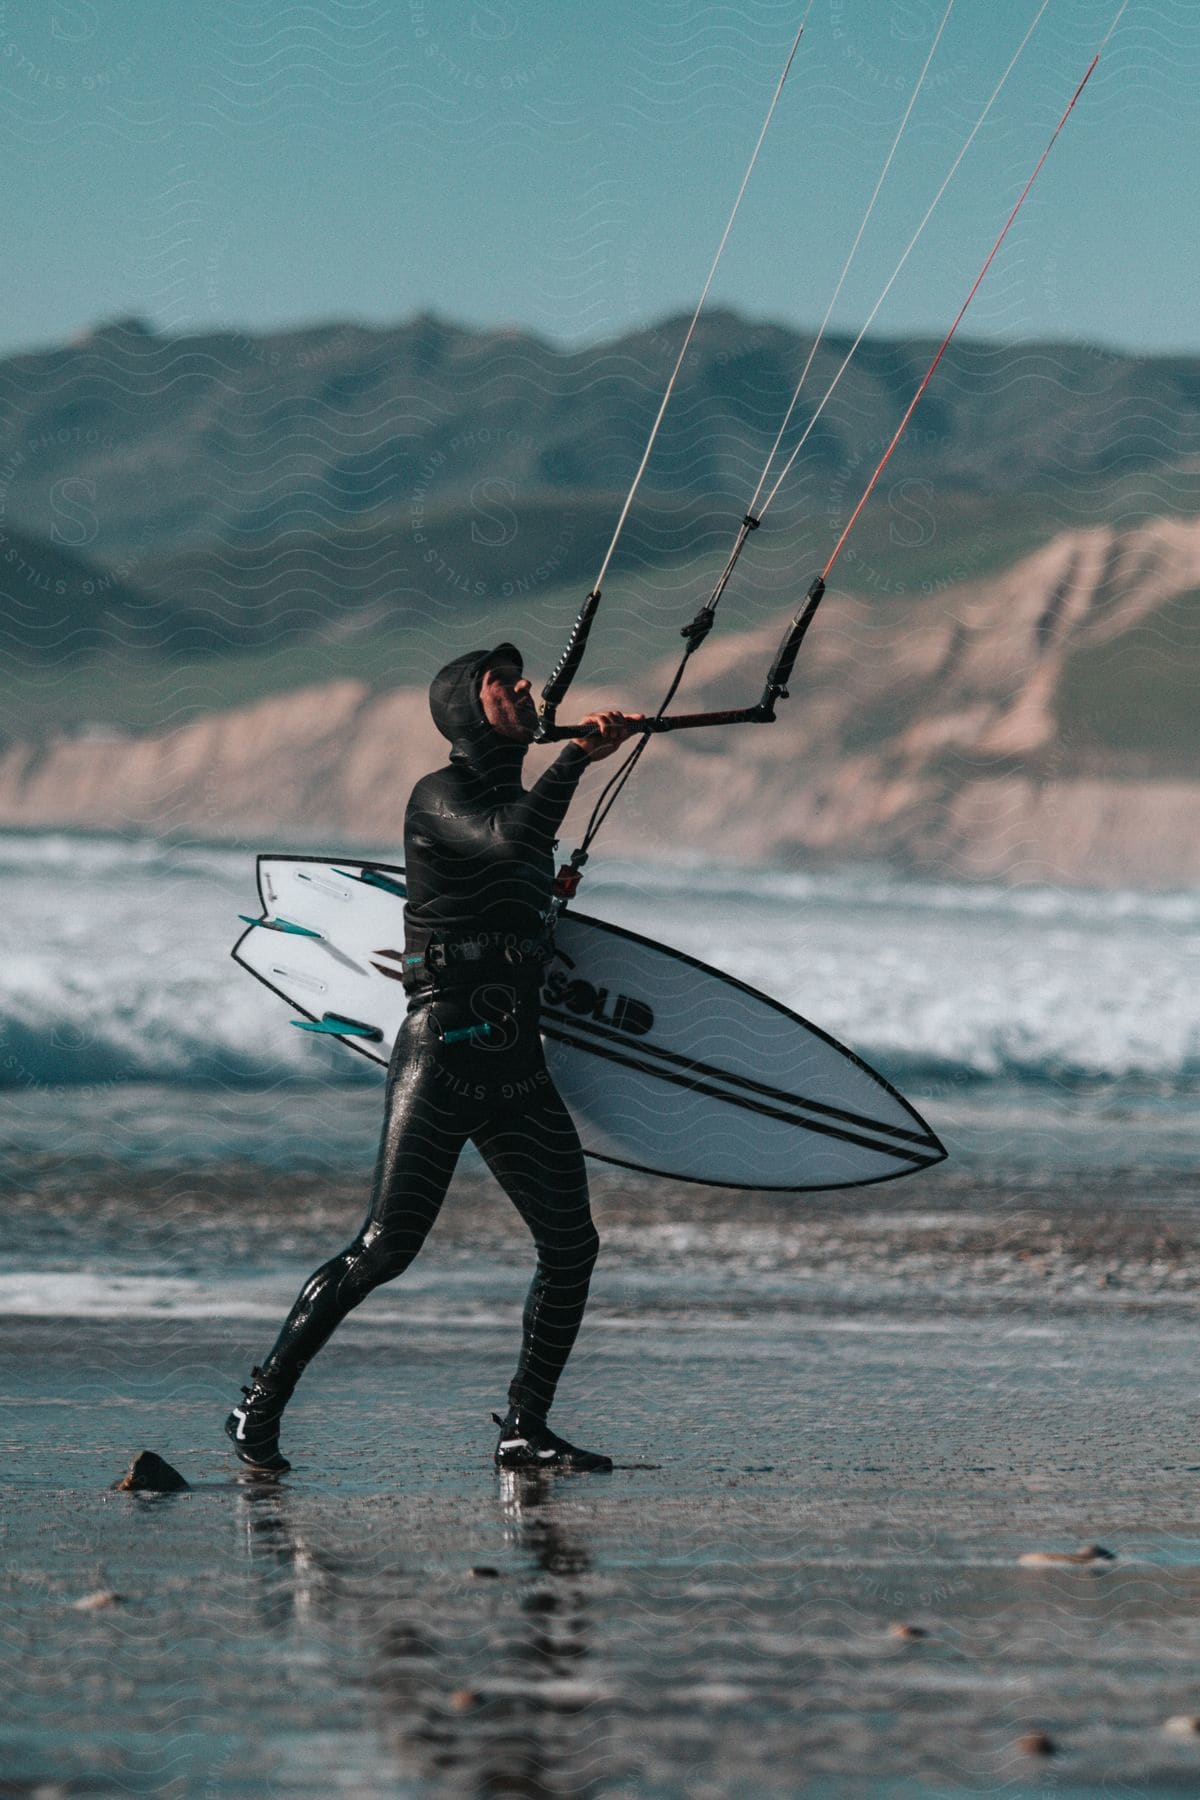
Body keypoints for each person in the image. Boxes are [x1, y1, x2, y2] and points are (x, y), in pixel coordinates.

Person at [225, 643, 641, 1475]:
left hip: (516, 1062)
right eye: (503, 683)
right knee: (386, 1247)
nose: (524, 688)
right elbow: (510, 834)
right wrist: (576, 760)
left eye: (522, 680)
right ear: (465, 709)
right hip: (444, 1053)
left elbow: (520, 852)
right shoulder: (439, 797)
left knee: (571, 1246)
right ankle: (259, 1402)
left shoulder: (514, 804)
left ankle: (525, 1425)